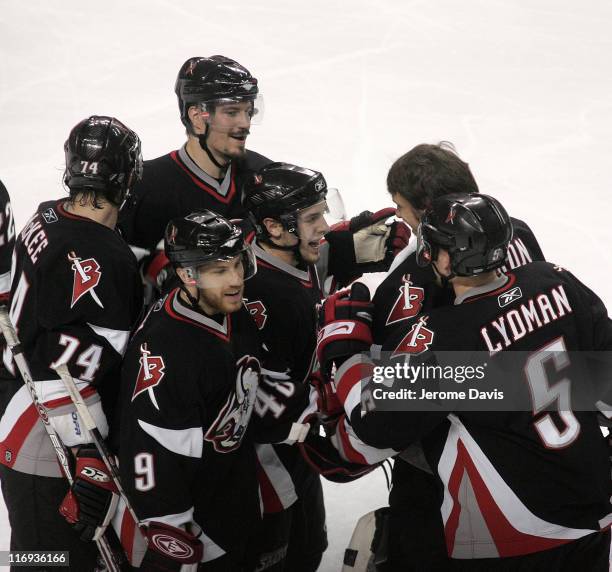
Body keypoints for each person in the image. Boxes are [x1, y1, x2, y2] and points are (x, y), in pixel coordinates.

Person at [326, 193, 612, 571]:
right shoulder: (556, 281)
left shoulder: (446, 338)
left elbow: (373, 421)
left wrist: (346, 350)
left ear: (445, 258)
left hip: (515, 532)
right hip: (593, 509)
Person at [370, 142, 546, 570]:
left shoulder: (414, 279)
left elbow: (392, 393)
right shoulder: (515, 231)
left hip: (455, 457)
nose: (401, 219)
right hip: (535, 430)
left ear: (432, 211)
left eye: (404, 208)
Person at [241, 162, 409, 571]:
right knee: (285, 557)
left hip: (294, 448)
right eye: (313, 218)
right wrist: (328, 399)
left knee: (310, 547)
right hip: (262, 461)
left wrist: (344, 242)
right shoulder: (263, 296)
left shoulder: (268, 249)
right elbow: (250, 395)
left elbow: (315, 260)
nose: (324, 226)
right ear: (275, 227)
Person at [0, 116, 144, 570]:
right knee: (48, 561)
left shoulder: (46, 213)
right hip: (50, 443)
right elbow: (56, 368)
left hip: (19, 420)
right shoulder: (105, 258)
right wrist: (92, 456)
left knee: (39, 555)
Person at [118, 211, 264, 570]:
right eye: (219, 271)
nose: (235, 281)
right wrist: (170, 532)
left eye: (237, 265)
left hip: (234, 502)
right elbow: (150, 449)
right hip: (201, 532)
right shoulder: (169, 348)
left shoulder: (225, 310)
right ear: (187, 275)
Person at [119, 55, 271, 258]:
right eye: (232, 112)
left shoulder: (263, 177)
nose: (245, 123)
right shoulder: (146, 189)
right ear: (197, 117)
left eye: (249, 111)